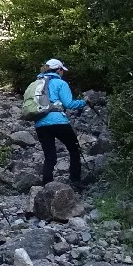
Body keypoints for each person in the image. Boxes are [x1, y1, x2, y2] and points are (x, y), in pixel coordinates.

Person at [32, 58, 87, 188]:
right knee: (74, 149)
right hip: (59, 122)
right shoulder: (60, 83)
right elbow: (69, 104)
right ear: (58, 70)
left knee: (50, 156)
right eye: (62, 70)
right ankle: (75, 181)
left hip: (40, 124)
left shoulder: (37, 83)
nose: (63, 73)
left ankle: (47, 186)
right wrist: (84, 102)